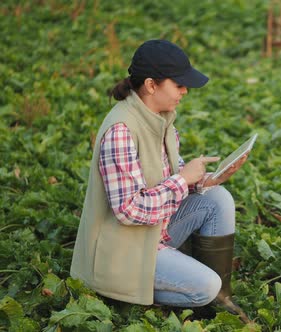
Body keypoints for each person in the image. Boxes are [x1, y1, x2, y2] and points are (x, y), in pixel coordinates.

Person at [70, 39, 249, 322]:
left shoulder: (160, 117)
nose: (185, 91)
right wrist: (181, 180)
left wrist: (205, 179)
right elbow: (128, 210)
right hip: (123, 251)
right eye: (178, 84)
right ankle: (196, 291)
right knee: (205, 285)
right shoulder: (121, 130)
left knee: (218, 199)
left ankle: (221, 297)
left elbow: (168, 173)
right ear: (151, 85)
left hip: (153, 233)